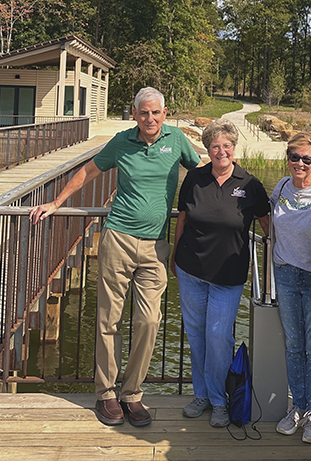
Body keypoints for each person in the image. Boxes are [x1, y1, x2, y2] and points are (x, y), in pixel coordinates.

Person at [29, 87, 199, 428]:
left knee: (149, 322)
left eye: (155, 113)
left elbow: (201, 174)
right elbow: (88, 172)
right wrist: (56, 202)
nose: (149, 119)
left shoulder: (177, 140)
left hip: (155, 247)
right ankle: (106, 393)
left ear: (165, 114)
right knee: (109, 320)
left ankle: (132, 393)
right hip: (118, 238)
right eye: (143, 113)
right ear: (134, 114)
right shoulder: (122, 141)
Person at [173, 118, 270, 428]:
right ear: (208, 148)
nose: (221, 151)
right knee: (197, 335)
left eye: (226, 146)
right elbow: (183, 220)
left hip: (228, 275)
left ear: (234, 148)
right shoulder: (195, 179)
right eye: (215, 146)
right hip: (190, 269)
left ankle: (219, 400)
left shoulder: (250, 184)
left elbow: (267, 226)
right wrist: (174, 256)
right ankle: (201, 394)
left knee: (218, 337)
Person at [270, 133, 311, 445]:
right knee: (294, 346)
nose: (300, 163)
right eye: (295, 157)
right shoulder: (280, 187)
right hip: (284, 274)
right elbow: (270, 224)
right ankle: (298, 406)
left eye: (307, 159)